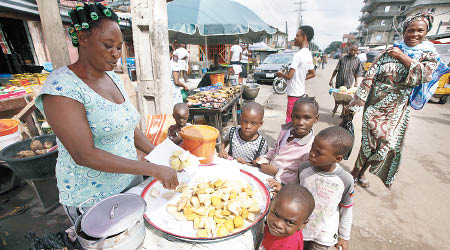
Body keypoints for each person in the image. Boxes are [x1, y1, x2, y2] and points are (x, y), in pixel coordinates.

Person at [34, 3, 178, 224]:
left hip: (130, 181)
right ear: (83, 39)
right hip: (92, 198)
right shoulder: (61, 87)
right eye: (108, 45)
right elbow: (84, 154)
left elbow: (128, 127)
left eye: (119, 47)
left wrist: (160, 156)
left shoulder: (112, 78)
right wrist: (153, 169)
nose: (116, 54)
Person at [348, 12, 444, 188]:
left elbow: (424, 75)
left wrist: (402, 57)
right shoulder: (388, 52)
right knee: (370, 142)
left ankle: (361, 172)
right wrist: (358, 101)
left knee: (387, 144)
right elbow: (371, 75)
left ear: (426, 31)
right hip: (375, 105)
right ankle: (355, 173)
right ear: (404, 31)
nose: (415, 34)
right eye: (410, 30)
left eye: (420, 30)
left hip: (397, 109)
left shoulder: (429, 56)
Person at [268, 126, 355, 250]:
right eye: (312, 147)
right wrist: (282, 188)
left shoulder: (345, 180)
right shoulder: (304, 168)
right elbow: (297, 193)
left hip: (323, 235)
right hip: (298, 228)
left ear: (338, 158)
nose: (312, 153)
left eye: (318, 152)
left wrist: (344, 237)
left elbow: (346, 210)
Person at [255, 97, 319, 184]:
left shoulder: (310, 148)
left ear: (316, 119)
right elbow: (276, 150)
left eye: (307, 118)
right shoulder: (286, 131)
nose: (300, 122)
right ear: (291, 116)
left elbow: (301, 178)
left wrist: (276, 172)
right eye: (297, 117)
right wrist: (264, 158)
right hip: (269, 174)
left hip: (284, 185)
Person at [275, 26, 315, 124]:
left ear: (304, 37)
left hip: (293, 95)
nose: (295, 38)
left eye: (297, 36)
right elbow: (313, 73)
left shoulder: (298, 55)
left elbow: (289, 76)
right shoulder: (308, 54)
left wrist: (281, 74)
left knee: (290, 120)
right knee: (298, 119)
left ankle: (287, 139)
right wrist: (300, 78)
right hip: (301, 93)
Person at [259, 184, 315, 250]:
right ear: (271, 204)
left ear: (303, 224)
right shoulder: (282, 231)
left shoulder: (286, 246)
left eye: (289, 222)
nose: (278, 224)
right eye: (276, 214)